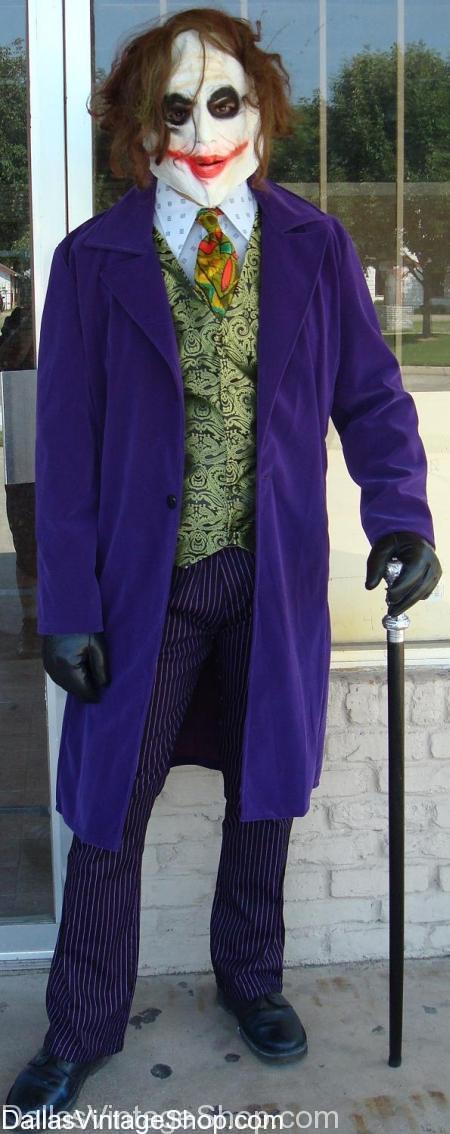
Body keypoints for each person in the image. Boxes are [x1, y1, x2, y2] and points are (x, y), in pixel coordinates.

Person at [4, 6, 441, 1122]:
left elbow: (371, 399)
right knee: (108, 813)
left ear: (261, 112)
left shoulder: (314, 246)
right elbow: (65, 447)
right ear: (139, 129)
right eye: (175, 110)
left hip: (272, 577)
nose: (201, 132)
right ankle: (81, 1026)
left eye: (224, 102)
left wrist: (400, 516)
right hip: (143, 590)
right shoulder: (92, 261)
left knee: (265, 799)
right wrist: (67, 602)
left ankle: (252, 979)